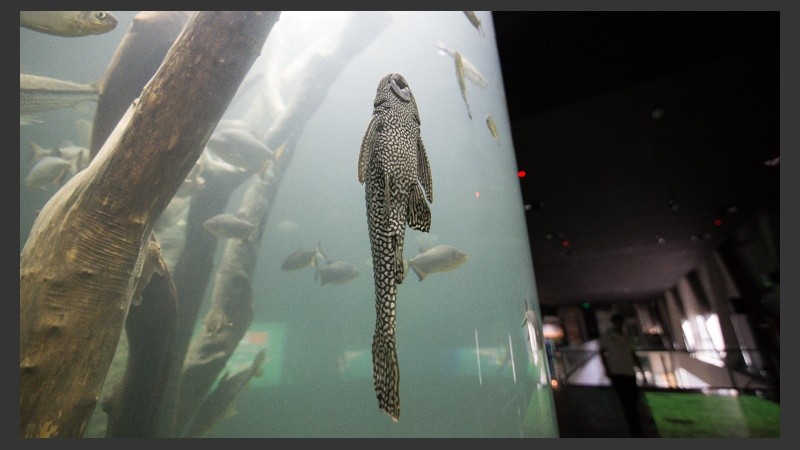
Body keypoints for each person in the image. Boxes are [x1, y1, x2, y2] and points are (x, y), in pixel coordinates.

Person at [599, 314, 646, 437]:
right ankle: (633, 431)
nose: (618, 325)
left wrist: (640, 370)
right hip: (617, 373)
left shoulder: (627, 337)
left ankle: (636, 430)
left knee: (633, 402)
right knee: (626, 403)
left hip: (629, 372)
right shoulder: (608, 337)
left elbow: (632, 354)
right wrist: (607, 369)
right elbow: (602, 352)